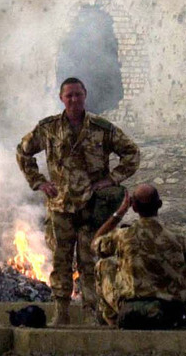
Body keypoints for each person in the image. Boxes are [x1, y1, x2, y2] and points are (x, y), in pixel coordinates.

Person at [16, 77, 140, 325]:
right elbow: (23, 151)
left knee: (89, 261)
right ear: (61, 98)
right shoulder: (48, 128)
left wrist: (111, 179)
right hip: (60, 206)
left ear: (85, 95)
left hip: (91, 207)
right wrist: (39, 182)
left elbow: (132, 153)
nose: (74, 99)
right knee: (60, 261)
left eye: (78, 94)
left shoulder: (102, 128)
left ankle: (91, 313)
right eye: (69, 95)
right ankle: (61, 313)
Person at [92, 184, 186, 329]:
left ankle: (114, 322)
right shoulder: (180, 239)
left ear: (134, 207)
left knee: (103, 265)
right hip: (175, 314)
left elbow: (95, 244)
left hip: (136, 313)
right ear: (159, 205)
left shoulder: (123, 236)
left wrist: (119, 213)